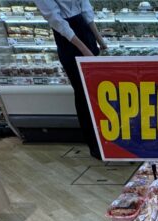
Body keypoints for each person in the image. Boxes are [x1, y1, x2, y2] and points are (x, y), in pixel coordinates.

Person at [33, 0, 107, 159]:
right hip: (69, 40)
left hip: (85, 31)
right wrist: (84, 50)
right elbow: (56, 21)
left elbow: (85, 8)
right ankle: (95, 144)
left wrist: (98, 39)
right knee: (83, 94)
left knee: (98, 90)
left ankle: (108, 138)